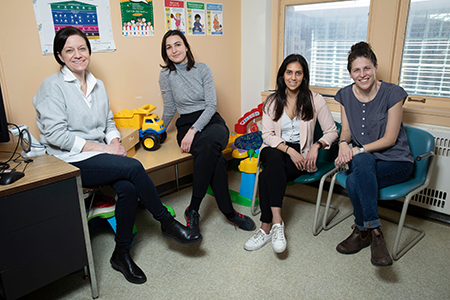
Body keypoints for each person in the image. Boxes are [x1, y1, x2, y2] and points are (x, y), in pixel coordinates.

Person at [33, 27, 202, 285]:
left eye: (82, 48)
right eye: (69, 50)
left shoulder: (96, 84)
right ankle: (167, 223)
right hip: (70, 160)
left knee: (127, 187)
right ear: (59, 55)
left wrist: (114, 142)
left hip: (99, 155)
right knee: (133, 168)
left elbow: (109, 121)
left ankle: (120, 254)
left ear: (88, 51)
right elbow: (57, 136)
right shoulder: (52, 87)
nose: (77, 54)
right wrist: (106, 149)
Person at [158, 30, 255, 235]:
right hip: (185, 124)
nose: (174, 50)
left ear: (186, 46)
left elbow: (211, 105)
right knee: (216, 159)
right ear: (165, 52)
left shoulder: (202, 69)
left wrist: (194, 131)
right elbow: (169, 109)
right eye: (169, 47)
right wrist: (156, 132)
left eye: (177, 44)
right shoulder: (165, 75)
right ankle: (229, 212)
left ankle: (193, 208)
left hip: (212, 121)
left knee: (210, 145)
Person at [244, 54, 338, 253]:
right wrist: (287, 149)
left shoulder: (315, 100)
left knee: (269, 173)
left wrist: (316, 146)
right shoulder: (272, 101)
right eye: (289, 72)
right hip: (275, 148)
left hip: (301, 152)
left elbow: (332, 131)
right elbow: (267, 135)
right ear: (282, 75)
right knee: (273, 158)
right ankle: (278, 223)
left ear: (304, 76)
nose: (293, 77)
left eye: (298, 73)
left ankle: (265, 228)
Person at [334, 42, 414, 267]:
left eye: (366, 68)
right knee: (361, 162)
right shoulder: (345, 95)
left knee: (353, 180)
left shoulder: (393, 93)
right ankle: (375, 232)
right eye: (356, 70)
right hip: (364, 161)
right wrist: (342, 143)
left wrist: (357, 150)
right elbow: (347, 131)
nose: (362, 74)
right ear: (350, 73)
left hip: (396, 161)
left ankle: (362, 232)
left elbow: (389, 139)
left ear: (376, 67)